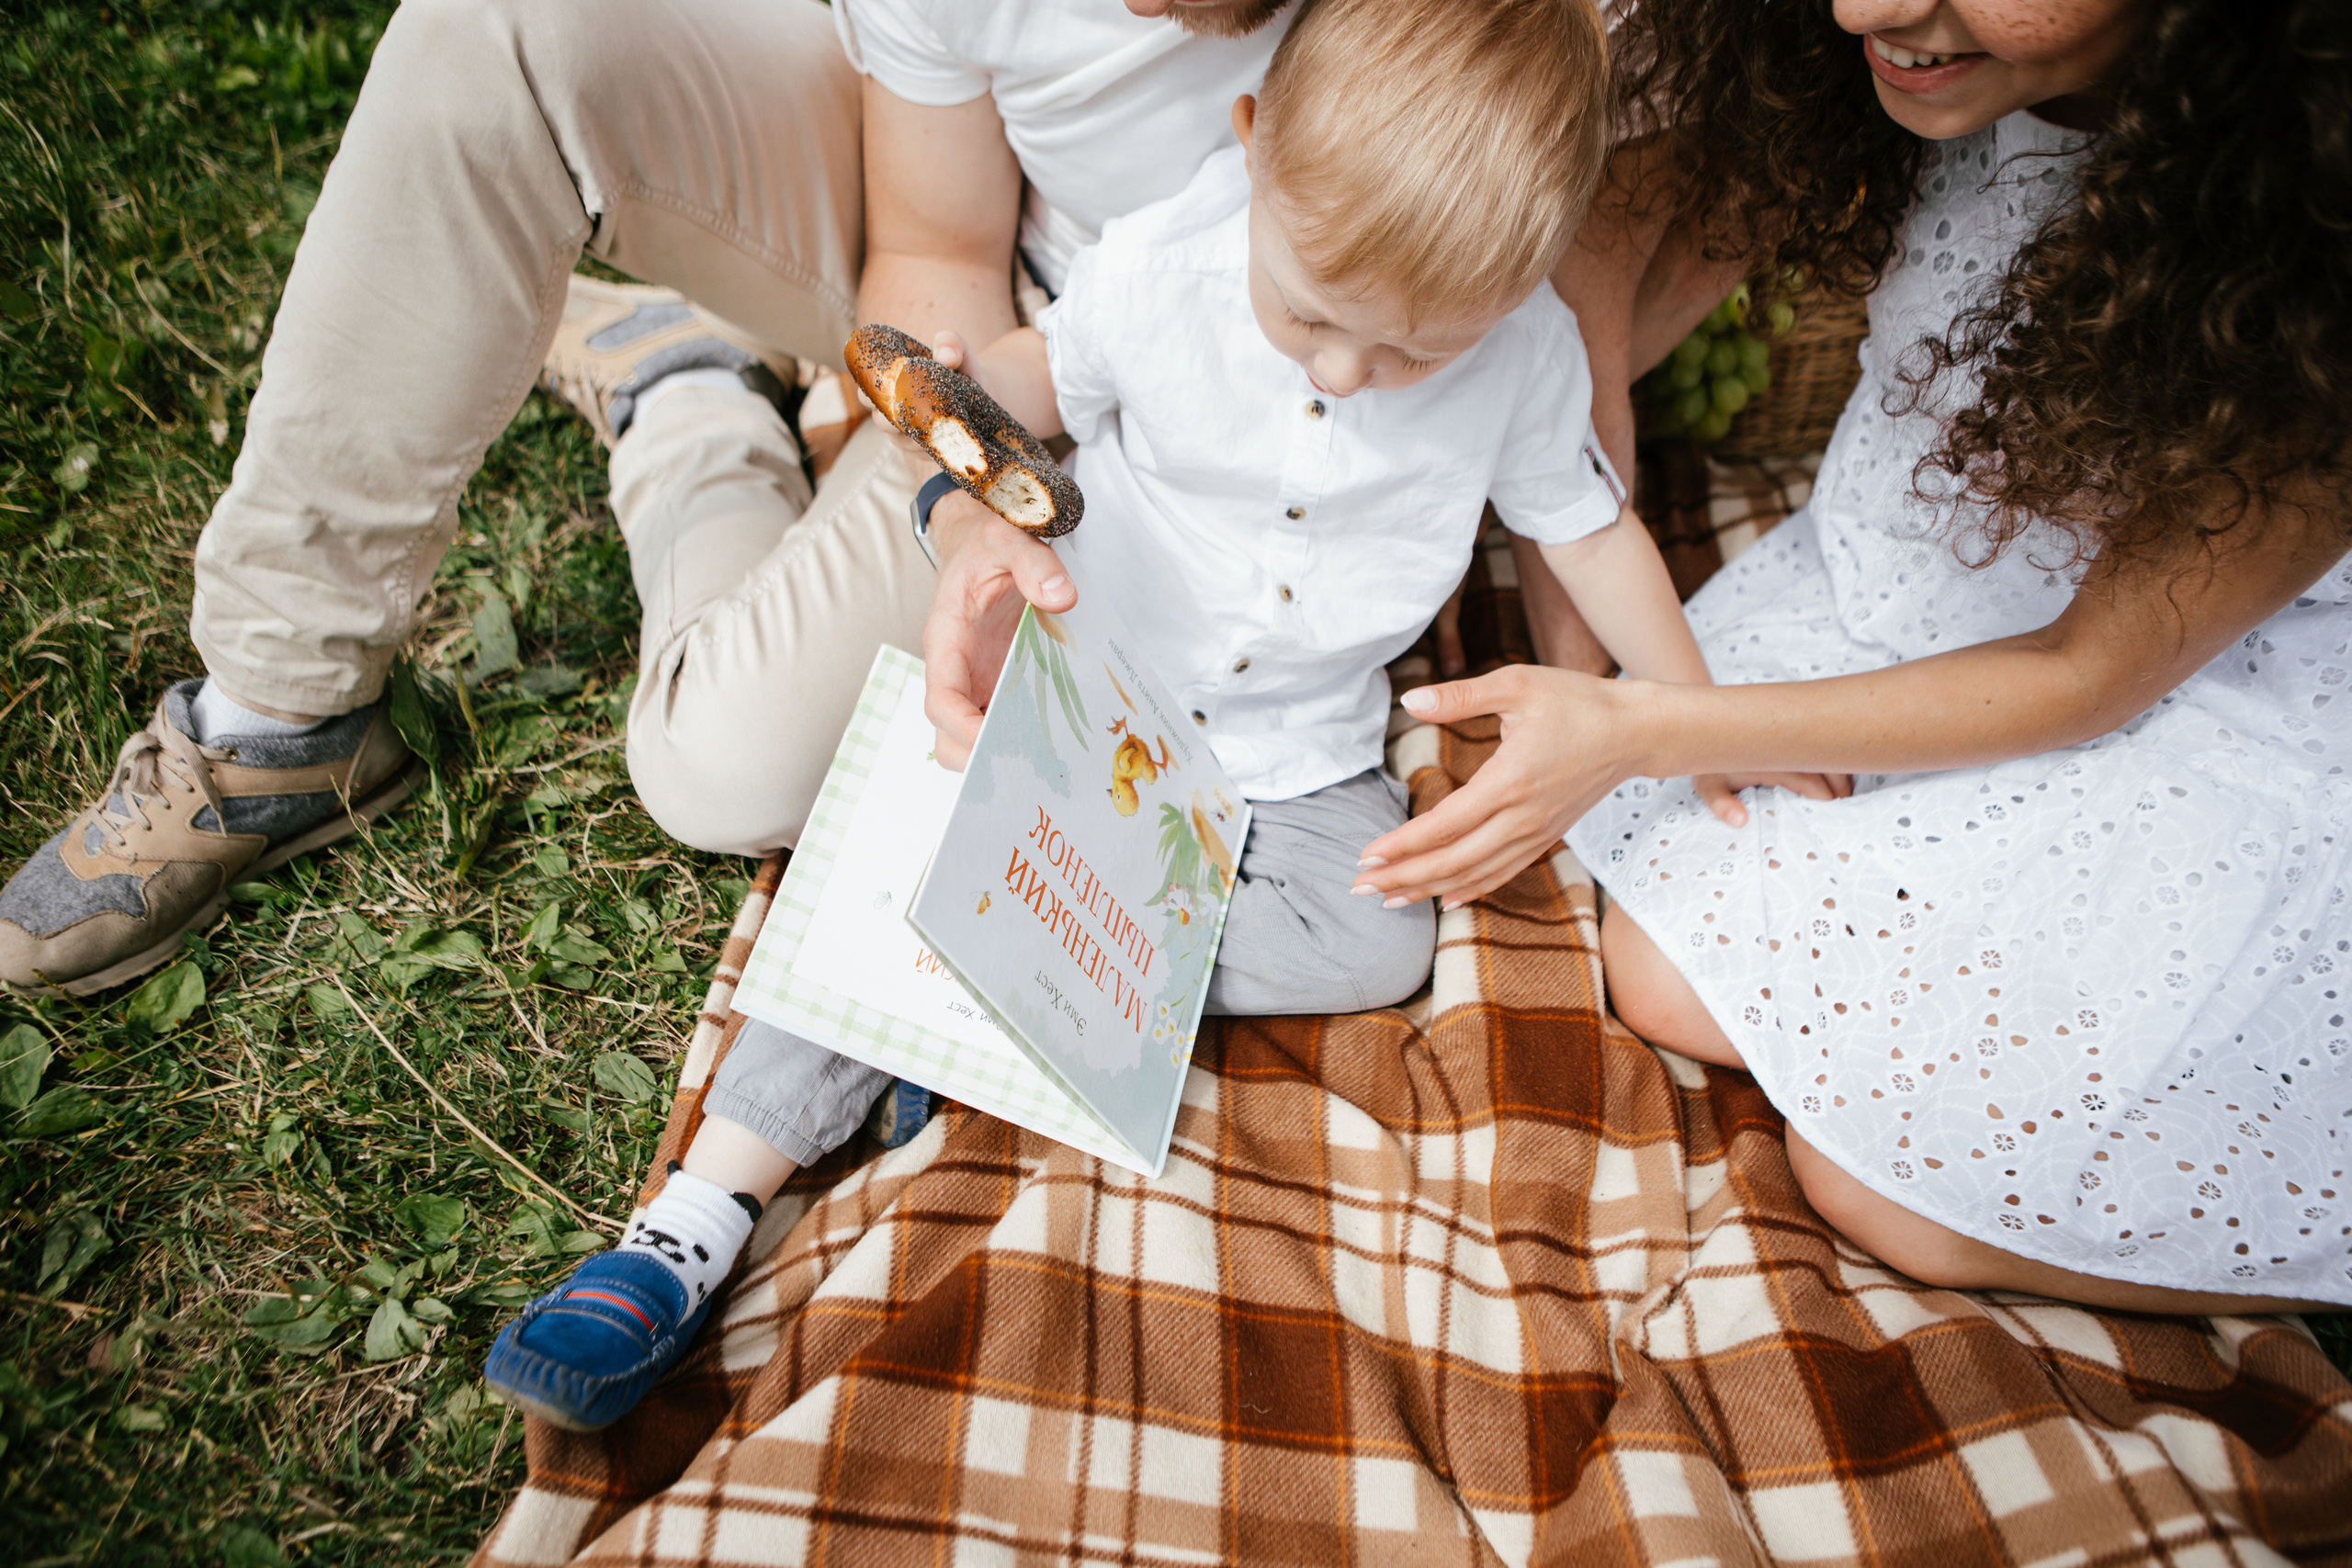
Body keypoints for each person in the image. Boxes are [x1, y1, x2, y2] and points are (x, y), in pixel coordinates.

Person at [481, 0, 1822, 1433]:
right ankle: (692, 1218)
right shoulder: (1167, 264)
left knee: (1377, 930)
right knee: (904, 851)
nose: (1346, 372)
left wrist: (1691, 711)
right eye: (1309, 312)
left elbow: (1592, 533)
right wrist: (951, 497)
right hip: (1094, 672)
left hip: (1296, 752)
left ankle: (1005, 987)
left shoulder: (1530, 350)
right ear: (1251, 150)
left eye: (1418, 351)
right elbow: (986, 399)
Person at [1351, 0, 2352, 1313]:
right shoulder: (1865, 66)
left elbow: (2086, 674)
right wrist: (1584, 589)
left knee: (1894, 1197)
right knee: (1666, 975)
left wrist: (1650, 727)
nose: (1866, 6)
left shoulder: (2314, 244)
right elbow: (1598, 254)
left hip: (2170, 684)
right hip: (1899, 582)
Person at [0, 0, 1293, 996]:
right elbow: (941, 247)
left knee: (713, 764)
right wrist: (962, 498)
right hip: (1009, 307)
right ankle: (277, 718)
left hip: (1286, 361)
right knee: (498, 35)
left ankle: (685, 394)